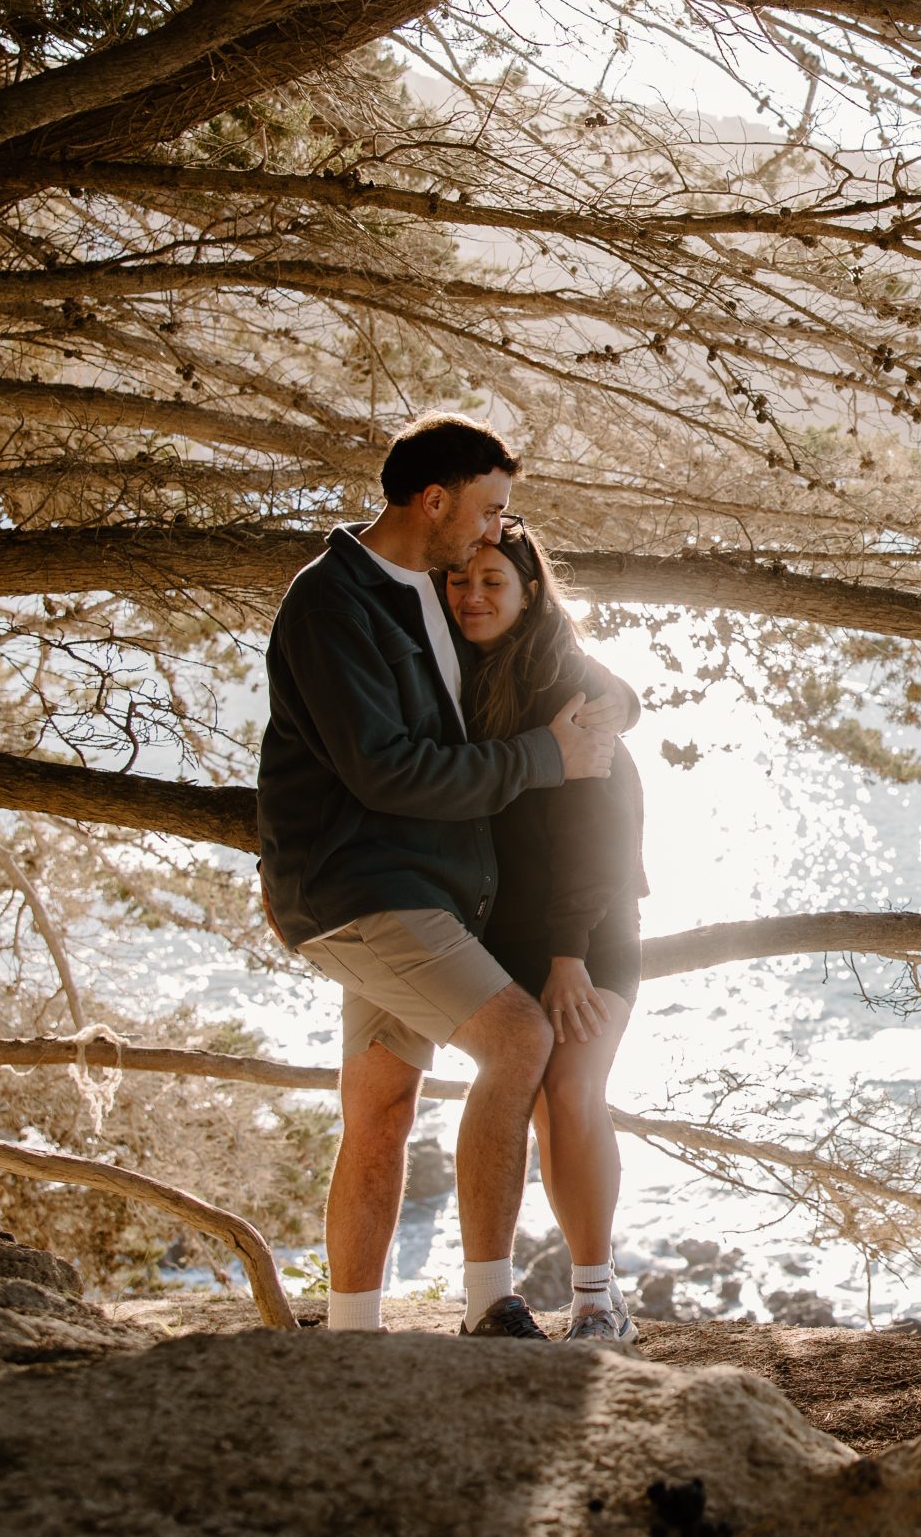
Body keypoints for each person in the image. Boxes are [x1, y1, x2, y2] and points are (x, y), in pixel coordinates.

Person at [256, 413, 625, 1341]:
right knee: (518, 1039)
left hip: (423, 895)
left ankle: (351, 1329)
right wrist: (547, 756)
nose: (496, 530)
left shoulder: (431, 590)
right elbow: (388, 769)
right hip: (367, 891)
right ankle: (488, 1301)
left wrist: (610, 699)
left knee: (380, 1104)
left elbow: (532, 642)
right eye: (491, 509)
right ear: (434, 501)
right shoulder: (332, 601)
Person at [446, 517, 647, 1342]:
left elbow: (601, 832)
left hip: (589, 928)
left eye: (495, 581)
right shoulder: (463, 673)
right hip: (508, 930)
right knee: (532, 1104)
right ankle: (556, 1294)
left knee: (571, 1092)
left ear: (531, 592)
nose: (474, 595)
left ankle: (600, 1303)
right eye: (461, 580)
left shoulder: (569, 684)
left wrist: (568, 954)